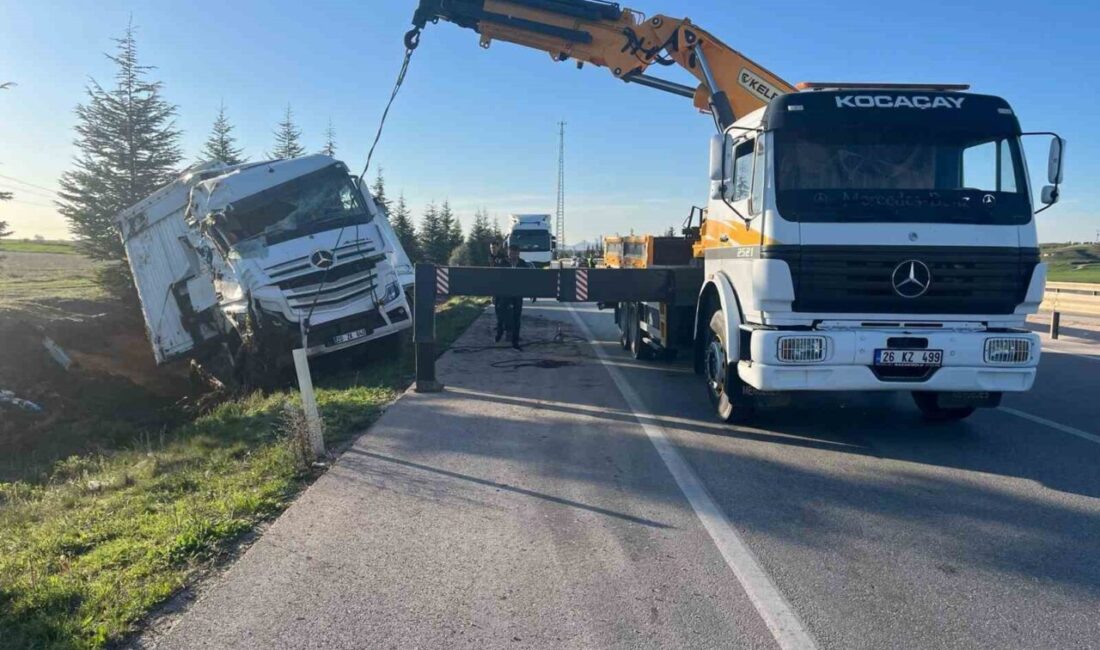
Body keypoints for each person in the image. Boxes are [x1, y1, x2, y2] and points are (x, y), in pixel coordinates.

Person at [500, 243, 531, 350]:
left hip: (518, 295)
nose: (512, 255)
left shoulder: (523, 264)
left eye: (514, 253)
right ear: (508, 253)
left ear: (518, 253)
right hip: (505, 294)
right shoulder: (503, 263)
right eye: (510, 253)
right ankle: (504, 331)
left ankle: (515, 340)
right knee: (506, 316)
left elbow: (528, 279)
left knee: (517, 318)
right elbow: (497, 278)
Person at [489, 240, 510, 342]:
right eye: (491, 248)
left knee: (503, 308)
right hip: (494, 286)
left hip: (502, 286)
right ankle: (500, 325)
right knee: (497, 308)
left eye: (494, 248)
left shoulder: (502, 258)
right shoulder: (489, 257)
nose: (493, 250)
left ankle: (504, 327)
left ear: (498, 247)